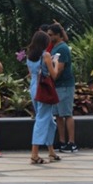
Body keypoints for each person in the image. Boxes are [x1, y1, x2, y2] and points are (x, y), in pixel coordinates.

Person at [26, 30, 60, 164]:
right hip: (44, 88)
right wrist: (55, 62)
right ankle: (34, 154)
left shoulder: (30, 56)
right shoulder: (45, 55)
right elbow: (54, 74)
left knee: (49, 120)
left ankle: (51, 151)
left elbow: (31, 72)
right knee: (42, 119)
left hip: (34, 86)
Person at [47, 23, 78, 152]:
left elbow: (60, 68)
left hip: (64, 85)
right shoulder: (55, 48)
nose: (49, 37)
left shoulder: (62, 49)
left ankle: (72, 142)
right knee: (58, 115)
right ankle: (61, 140)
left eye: (51, 35)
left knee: (66, 113)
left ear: (58, 35)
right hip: (57, 85)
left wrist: (52, 78)